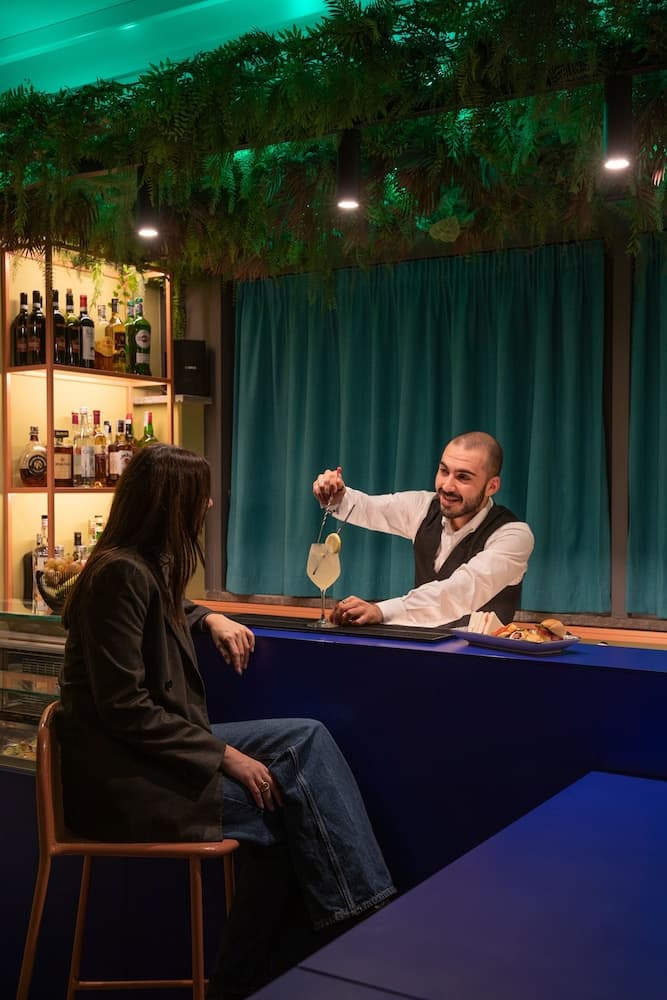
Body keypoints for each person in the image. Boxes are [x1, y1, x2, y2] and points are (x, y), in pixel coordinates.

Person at [57, 444, 395, 999]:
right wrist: (226, 756)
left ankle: (347, 929)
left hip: (149, 753)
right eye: (201, 495)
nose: (210, 503)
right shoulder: (120, 574)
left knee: (307, 736)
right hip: (124, 778)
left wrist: (209, 615)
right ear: (170, 503)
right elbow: (124, 708)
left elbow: (164, 607)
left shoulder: (143, 566)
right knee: (283, 806)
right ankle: (360, 933)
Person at [312, 430, 534, 629]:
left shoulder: (513, 535)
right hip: (422, 648)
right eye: (444, 471)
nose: (447, 486)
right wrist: (336, 495)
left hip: (484, 657)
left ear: (492, 486)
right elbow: (370, 508)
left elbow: (458, 592)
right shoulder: (424, 507)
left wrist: (381, 611)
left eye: (463, 477)